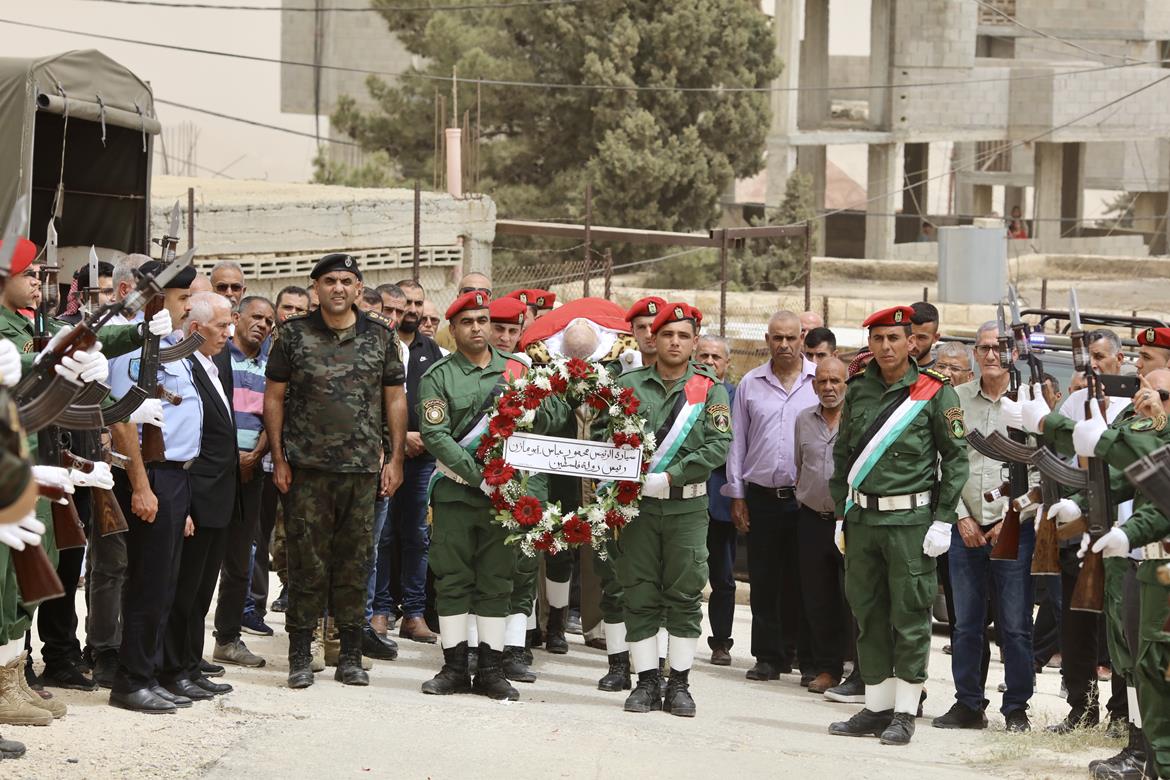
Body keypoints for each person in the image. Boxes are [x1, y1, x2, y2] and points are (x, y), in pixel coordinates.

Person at [264, 253, 407, 689]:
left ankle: (349, 655)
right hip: (306, 470)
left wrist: (396, 458)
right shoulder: (292, 335)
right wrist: (280, 458)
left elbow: (395, 400)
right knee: (306, 564)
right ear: (316, 288)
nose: (338, 288)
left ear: (358, 289)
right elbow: (274, 398)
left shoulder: (380, 336)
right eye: (330, 281)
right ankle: (300, 655)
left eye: (347, 280)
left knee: (355, 564)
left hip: (361, 470)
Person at [418, 291, 568, 701]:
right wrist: (480, 477)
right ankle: (452, 668)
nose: (478, 328)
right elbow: (436, 434)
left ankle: (490, 669)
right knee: (454, 581)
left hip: (506, 499)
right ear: (454, 329)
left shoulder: (519, 371)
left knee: (496, 582)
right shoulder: (439, 376)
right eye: (468, 322)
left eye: (483, 320)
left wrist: (534, 407)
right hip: (457, 494)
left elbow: (556, 417)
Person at [828, 305, 968, 746]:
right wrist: (840, 512)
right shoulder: (858, 388)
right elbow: (843, 456)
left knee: (909, 616)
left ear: (913, 342)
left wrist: (943, 520)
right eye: (877, 339)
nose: (885, 347)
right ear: (869, 344)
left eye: (894, 338)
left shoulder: (935, 392)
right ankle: (876, 705)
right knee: (868, 613)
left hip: (911, 522)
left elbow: (957, 459)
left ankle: (906, 712)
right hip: (863, 519)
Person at [616, 302, 731, 718]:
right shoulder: (628, 384)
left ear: (695, 342)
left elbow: (718, 445)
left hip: (686, 507)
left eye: (684, 335)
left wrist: (672, 475)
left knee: (684, 595)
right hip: (638, 510)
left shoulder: (710, 388)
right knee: (640, 591)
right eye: (667, 334)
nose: (675, 342)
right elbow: (608, 439)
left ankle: (679, 683)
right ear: (654, 338)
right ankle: (646, 682)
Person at [105, 260, 201, 714]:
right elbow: (124, 423)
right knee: (147, 582)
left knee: (164, 582)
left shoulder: (167, 343)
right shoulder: (132, 344)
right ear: (159, 299)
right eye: (182, 298)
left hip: (174, 475)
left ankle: (151, 670)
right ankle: (131, 679)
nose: (188, 306)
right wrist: (142, 487)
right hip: (149, 473)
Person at [933, 321, 1034, 733]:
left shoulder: (1029, 404)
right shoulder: (955, 399)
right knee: (966, 624)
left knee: (1014, 626)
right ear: (974, 353)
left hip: (1015, 529)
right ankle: (969, 704)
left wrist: (1013, 516)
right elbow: (942, 463)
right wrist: (961, 517)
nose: (991, 355)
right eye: (984, 348)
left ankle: (1016, 709)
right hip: (966, 528)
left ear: (1013, 353)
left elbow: (1042, 471)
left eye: (1000, 347)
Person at [1073, 367, 1170, 780]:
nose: (1149, 398)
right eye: (1145, 388)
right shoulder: (1138, 429)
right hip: (1133, 559)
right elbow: (1113, 479)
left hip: (1158, 563)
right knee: (1134, 663)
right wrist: (1078, 507)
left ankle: (1153, 755)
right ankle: (1139, 747)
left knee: (1156, 664)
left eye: (1161, 393)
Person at [723, 311, 818, 683]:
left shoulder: (818, 382)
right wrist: (737, 494)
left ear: (801, 338)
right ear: (767, 339)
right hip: (761, 496)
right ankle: (767, 656)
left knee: (807, 580)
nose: (784, 345)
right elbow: (737, 442)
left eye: (791, 338)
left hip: (806, 499)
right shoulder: (750, 383)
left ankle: (806, 658)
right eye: (777, 338)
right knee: (764, 579)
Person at [159, 293, 238, 703]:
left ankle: (190, 665)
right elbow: (186, 440)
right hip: (197, 496)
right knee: (184, 592)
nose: (229, 332)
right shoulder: (183, 364)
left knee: (200, 592)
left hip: (219, 498)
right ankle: (174, 669)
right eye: (221, 326)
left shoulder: (210, 363)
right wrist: (186, 504)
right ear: (194, 330)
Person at [212, 296, 275, 669]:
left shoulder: (271, 366)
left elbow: (274, 415)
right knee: (201, 560)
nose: (263, 325)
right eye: (256, 317)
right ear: (237, 318)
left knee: (240, 560)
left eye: (269, 321)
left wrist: (254, 456)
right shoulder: (219, 358)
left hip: (253, 473)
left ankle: (228, 638)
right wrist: (230, 456)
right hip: (216, 471)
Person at [383, 279, 442, 645]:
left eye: (418, 303)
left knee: (417, 536)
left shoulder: (431, 350)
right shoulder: (380, 343)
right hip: (386, 454)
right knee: (384, 534)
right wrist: (400, 438)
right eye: (406, 302)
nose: (413, 310)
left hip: (422, 460)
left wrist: (426, 438)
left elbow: (438, 403)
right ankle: (380, 609)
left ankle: (414, 613)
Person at [793, 357, 851, 694]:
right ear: (814, 385)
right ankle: (827, 668)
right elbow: (800, 465)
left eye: (836, 381)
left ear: (847, 384)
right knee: (818, 598)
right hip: (812, 520)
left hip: (849, 523)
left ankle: (858, 669)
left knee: (853, 599)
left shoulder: (857, 420)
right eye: (822, 381)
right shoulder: (803, 420)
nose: (828, 388)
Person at [695, 335, 737, 666]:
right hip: (685, 497)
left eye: (716, 357)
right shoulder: (684, 391)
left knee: (722, 577)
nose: (710, 362)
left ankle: (721, 641)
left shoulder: (735, 396)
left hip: (721, 501)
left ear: (727, 363)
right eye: (704, 355)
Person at [908, 302, 940, 370]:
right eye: (909, 335)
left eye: (921, 338)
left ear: (935, 338)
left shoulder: (942, 373)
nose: (914, 344)